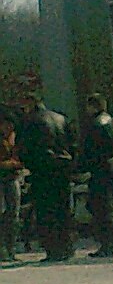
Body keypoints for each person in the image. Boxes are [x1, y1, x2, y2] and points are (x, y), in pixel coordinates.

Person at [16, 91, 76, 263]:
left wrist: (28, 166)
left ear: (30, 103)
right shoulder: (61, 118)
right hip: (63, 169)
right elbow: (72, 144)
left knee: (46, 210)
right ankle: (67, 246)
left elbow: (24, 147)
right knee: (63, 209)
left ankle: (53, 248)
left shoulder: (30, 121)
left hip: (43, 170)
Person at [77, 92, 113, 258]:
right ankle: (109, 244)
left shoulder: (94, 125)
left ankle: (107, 245)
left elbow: (89, 150)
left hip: (100, 169)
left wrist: (80, 168)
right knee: (107, 207)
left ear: (93, 106)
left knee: (100, 207)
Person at [0, 115, 23, 261]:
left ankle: (11, 248)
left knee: (14, 214)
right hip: (3, 178)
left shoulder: (15, 139)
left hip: (12, 178)